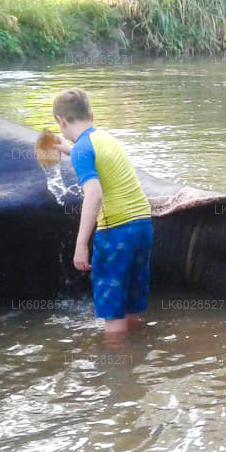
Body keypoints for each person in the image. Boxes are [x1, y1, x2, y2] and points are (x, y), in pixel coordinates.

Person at [51, 88, 154, 336]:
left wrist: (81, 244)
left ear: (61, 121)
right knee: (132, 302)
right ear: (92, 115)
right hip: (142, 226)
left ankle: (113, 368)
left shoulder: (83, 150)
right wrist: (69, 149)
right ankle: (137, 355)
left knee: (112, 311)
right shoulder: (105, 139)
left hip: (116, 232)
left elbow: (94, 194)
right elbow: (90, 154)